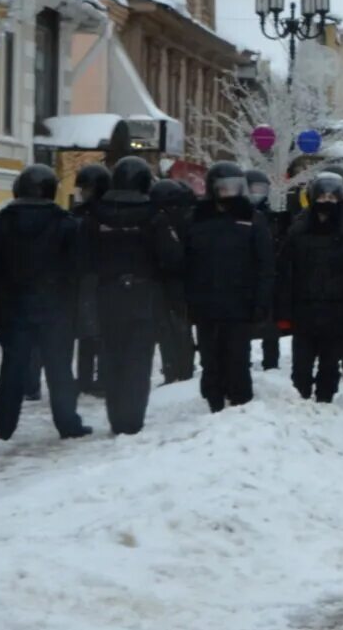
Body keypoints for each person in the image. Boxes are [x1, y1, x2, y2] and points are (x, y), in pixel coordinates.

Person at [0, 163, 90, 440]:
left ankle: (3, 426)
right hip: (55, 307)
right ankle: (67, 423)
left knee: (12, 369)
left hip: (16, 305)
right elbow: (77, 267)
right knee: (59, 370)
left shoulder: (3, 223)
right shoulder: (66, 224)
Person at [76, 157, 171, 435]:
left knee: (112, 358)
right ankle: (133, 420)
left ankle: (117, 418)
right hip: (142, 295)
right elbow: (171, 256)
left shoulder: (95, 214)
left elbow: (83, 257)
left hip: (107, 295)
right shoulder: (154, 215)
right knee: (138, 362)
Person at [182, 161, 274, 415]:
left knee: (237, 357)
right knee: (210, 358)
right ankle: (213, 401)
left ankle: (240, 404)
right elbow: (186, 262)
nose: (230, 193)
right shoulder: (197, 219)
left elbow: (265, 264)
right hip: (206, 302)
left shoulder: (252, 219)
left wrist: (261, 302)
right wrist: (188, 301)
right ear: (213, 189)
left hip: (240, 302)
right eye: (224, 188)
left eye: (235, 187)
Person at [276, 172, 343, 404]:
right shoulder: (298, 232)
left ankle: (325, 401)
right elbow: (284, 272)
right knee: (301, 364)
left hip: (337, 308)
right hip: (304, 306)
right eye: (322, 196)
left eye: (331, 197)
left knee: (330, 362)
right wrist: (283, 310)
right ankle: (301, 399)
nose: (326, 202)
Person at [67, 162, 111, 397]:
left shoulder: (98, 214)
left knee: (96, 330)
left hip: (95, 277)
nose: (83, 193)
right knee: (88, 330)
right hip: (89, 277)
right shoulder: (85, 213)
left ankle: (97, 377)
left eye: (86, 189)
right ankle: (87, 377)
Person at [149, 176, 197, 386]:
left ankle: (176, 371)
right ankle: (181, 369)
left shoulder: (163, 222)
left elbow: (170, 255)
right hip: (180, 282)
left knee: (171, 329)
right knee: (178, 328)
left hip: (169, 283)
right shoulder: (187, 219)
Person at [246, 170, 283, 373]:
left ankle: (271, 363)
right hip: (244, 278)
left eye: (261, 189)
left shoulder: (270, 216)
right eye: (253, 189)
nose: (257, 193)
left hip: (267, 277)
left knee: (270, 325)